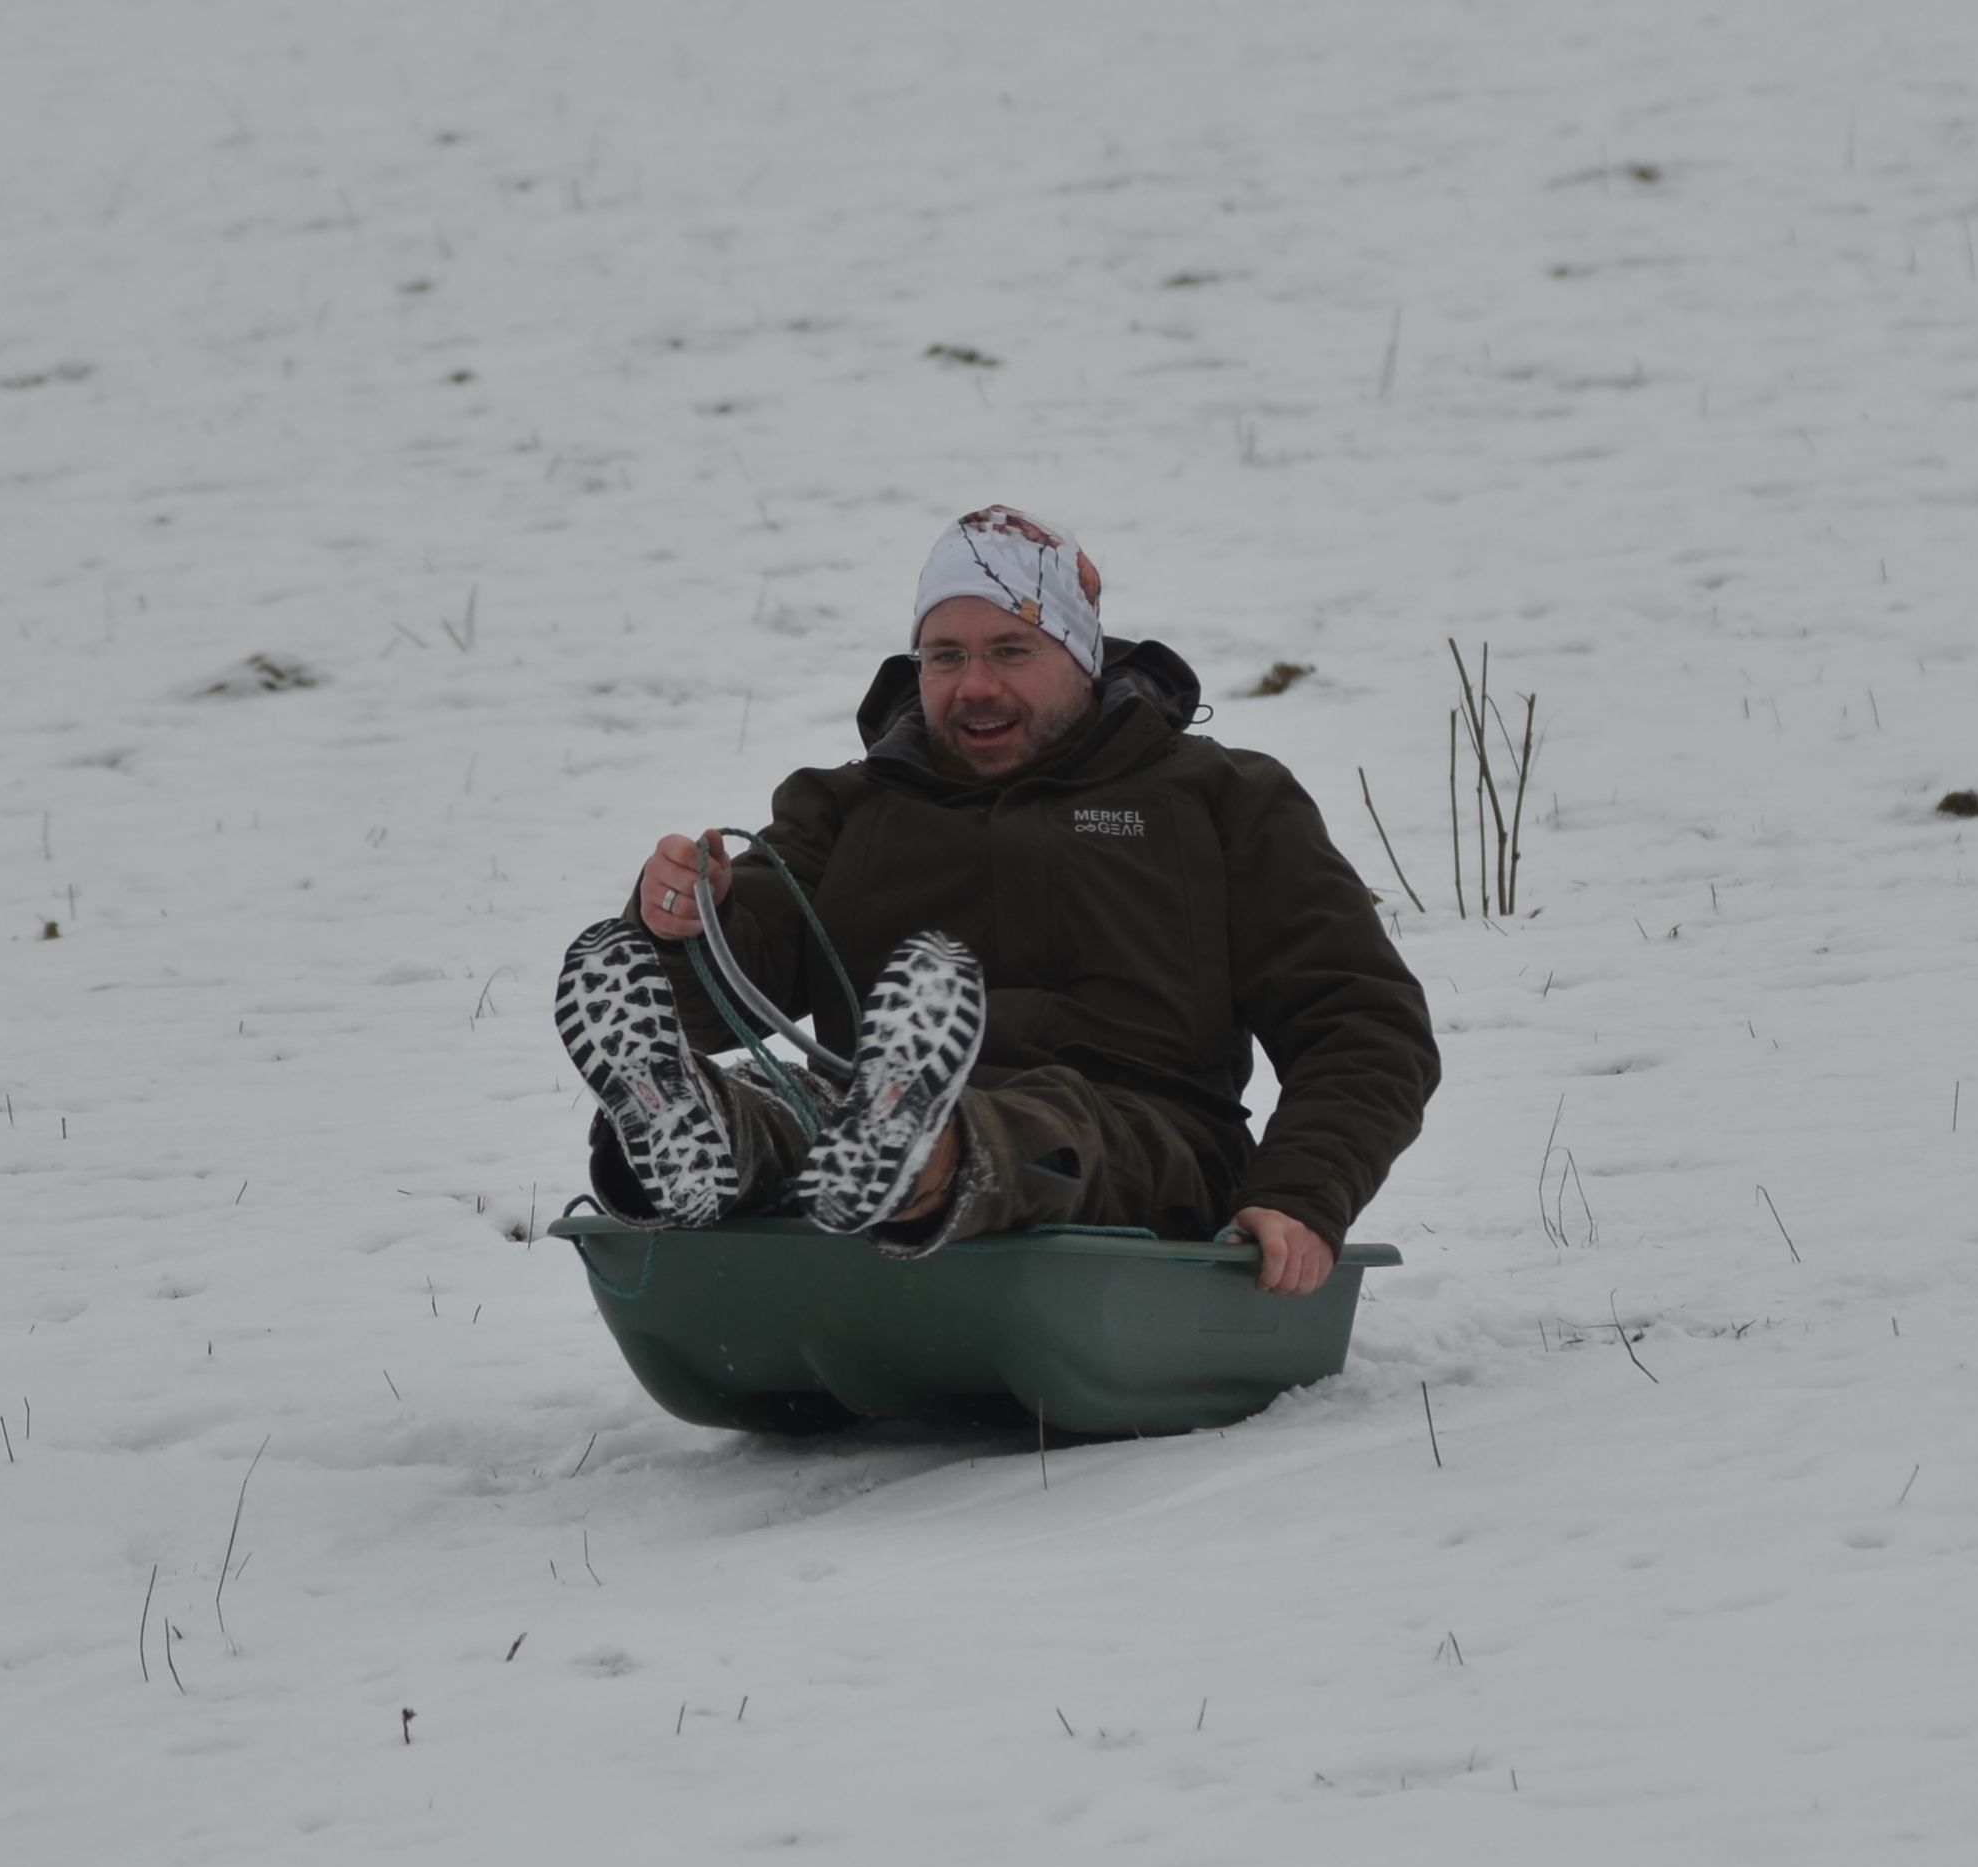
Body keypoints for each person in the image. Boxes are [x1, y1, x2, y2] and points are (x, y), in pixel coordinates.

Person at [552, 506, 1434, 1295]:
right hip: (864, 1105)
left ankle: (921, 1154)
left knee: (1046, 1123)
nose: (973, 685)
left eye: (1011, 650)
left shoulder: (1218, 800)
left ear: (1081, 659)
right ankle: (701, 1135)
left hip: (1141, 1135)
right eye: (946, 657)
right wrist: (684, 926)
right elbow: (734, 989)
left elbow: (1360, 1021)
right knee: (796, 1101)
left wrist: (1302, 1194)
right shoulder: (851, 807)